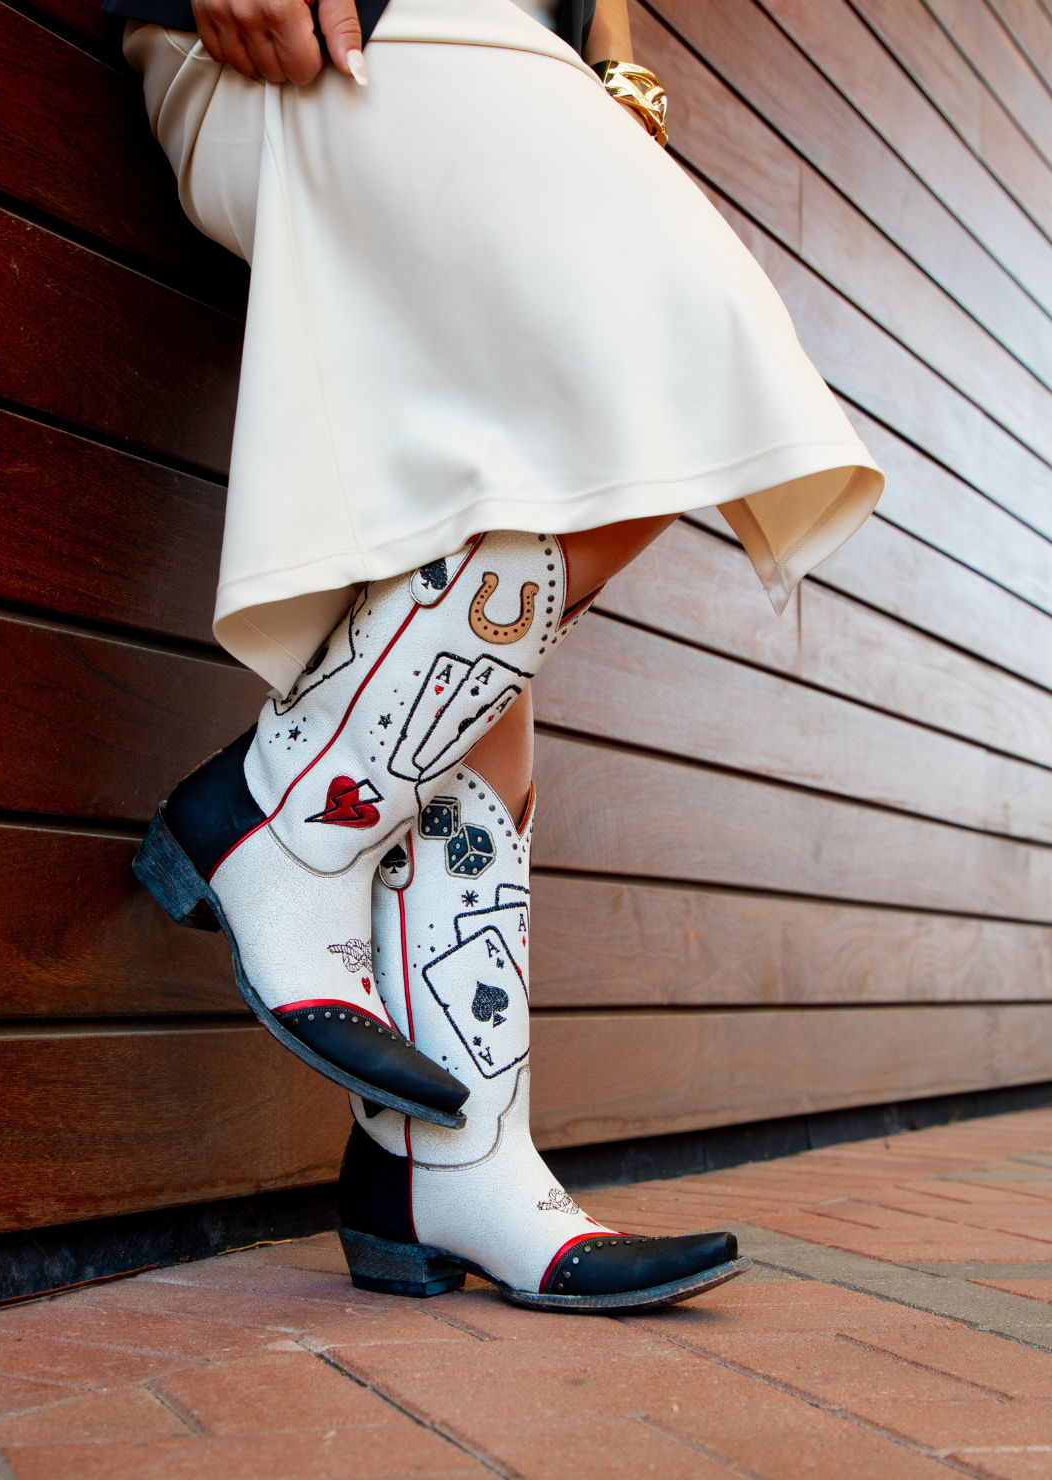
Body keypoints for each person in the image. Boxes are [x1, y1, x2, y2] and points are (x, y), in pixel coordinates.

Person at [107, 0, 883, 1311]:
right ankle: (289, 817)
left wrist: (614, 69)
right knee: (692, 337)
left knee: (506, 512)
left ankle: (449, 1164)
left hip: (501, 64)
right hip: (323, 47)